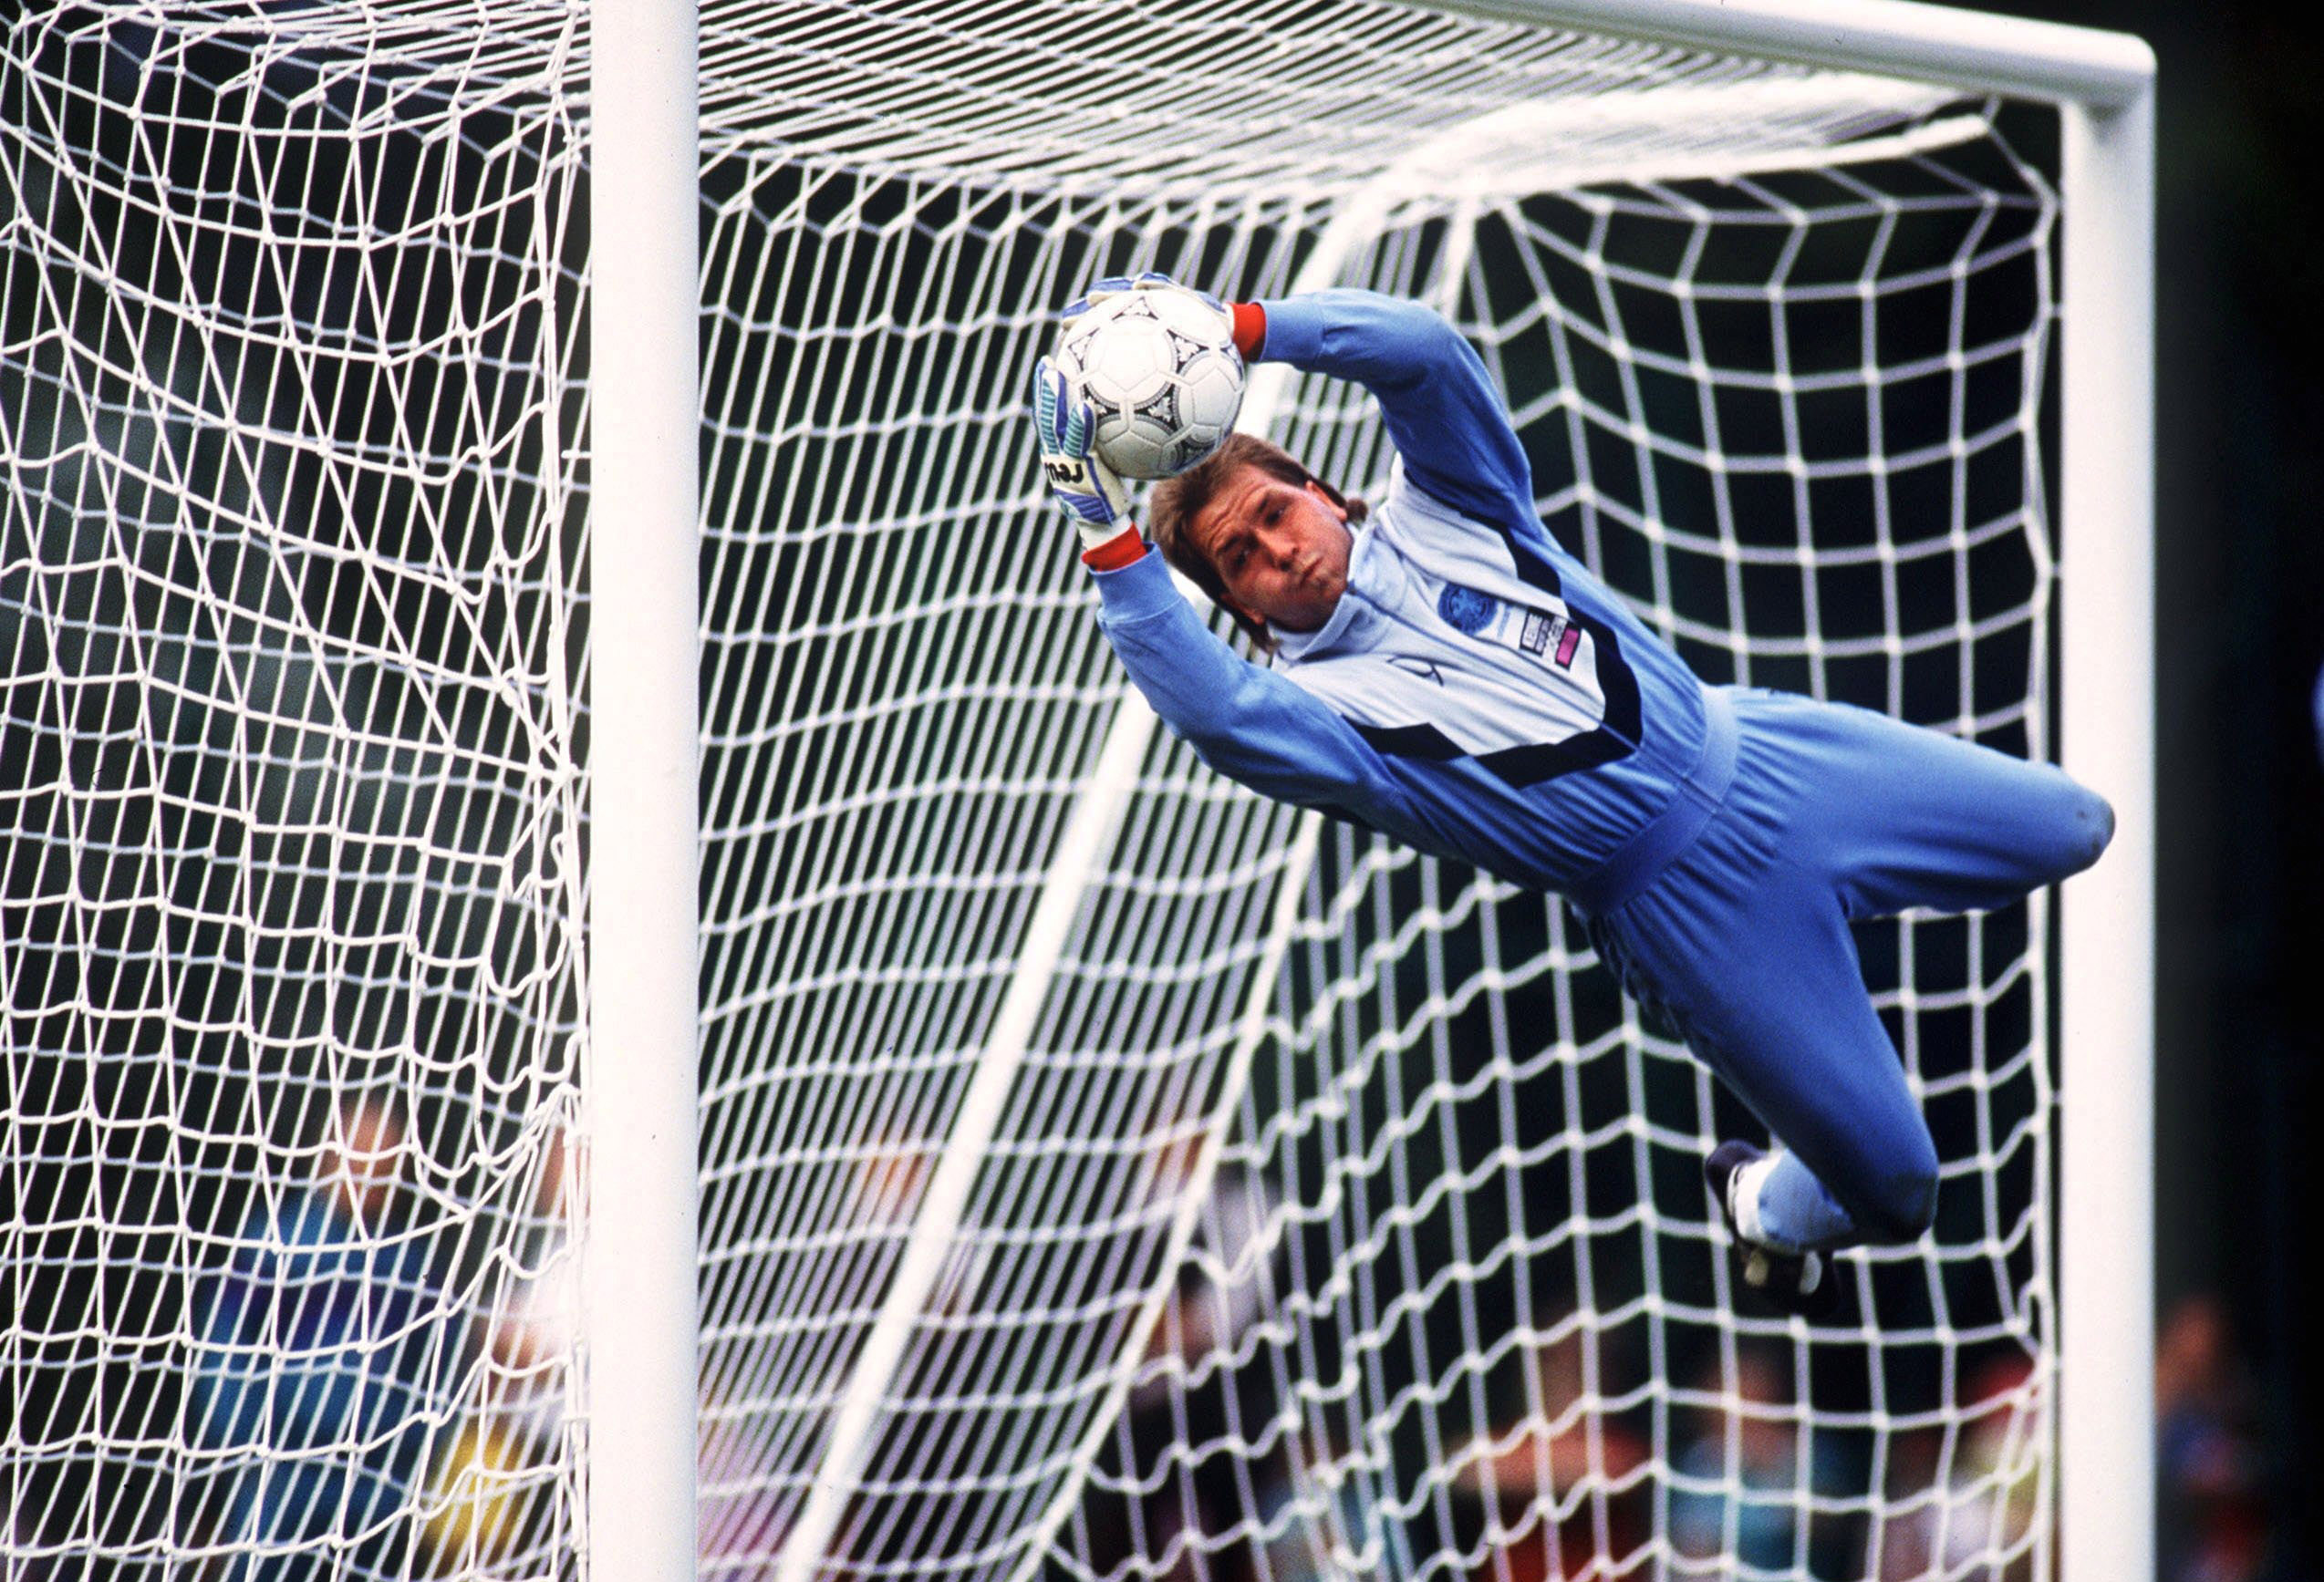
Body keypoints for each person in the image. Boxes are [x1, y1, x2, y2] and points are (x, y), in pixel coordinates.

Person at [1030, 274, 2115, 1312]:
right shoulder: (1331, 717)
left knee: (2075, 823)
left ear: (1318, 489)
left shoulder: (1454, 503)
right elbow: (1211, 708)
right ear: (1245, 613)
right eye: (1244, 558)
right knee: (1896, 1189)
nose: (1281, 549)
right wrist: (1102, 522)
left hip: (1780, 755)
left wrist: (1240, 327)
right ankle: (1759, 1205)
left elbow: (1424, 353)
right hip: (1690, 913)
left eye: (1277, 512)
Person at [186, 1095, 468, 1580]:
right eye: (359, 1155)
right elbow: (221, 1360)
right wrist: (251, 1447)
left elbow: (443, 1381)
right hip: (281, 1483)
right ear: (328, 1157)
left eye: (386, 1160)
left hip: (377, 1492)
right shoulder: (272, 1245)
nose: (372, 1173)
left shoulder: (415, 1269)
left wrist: (408, 1462)